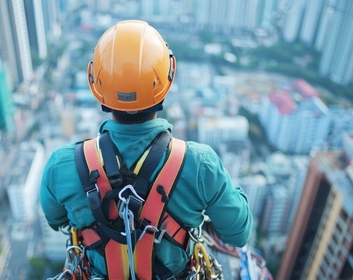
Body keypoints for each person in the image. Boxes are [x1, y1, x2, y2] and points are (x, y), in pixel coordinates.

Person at [40, 20, 253, 279]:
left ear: (95, 83)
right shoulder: (201, 165)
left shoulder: (62, 165)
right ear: (168, 77)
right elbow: (238, 233)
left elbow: (56, 221)